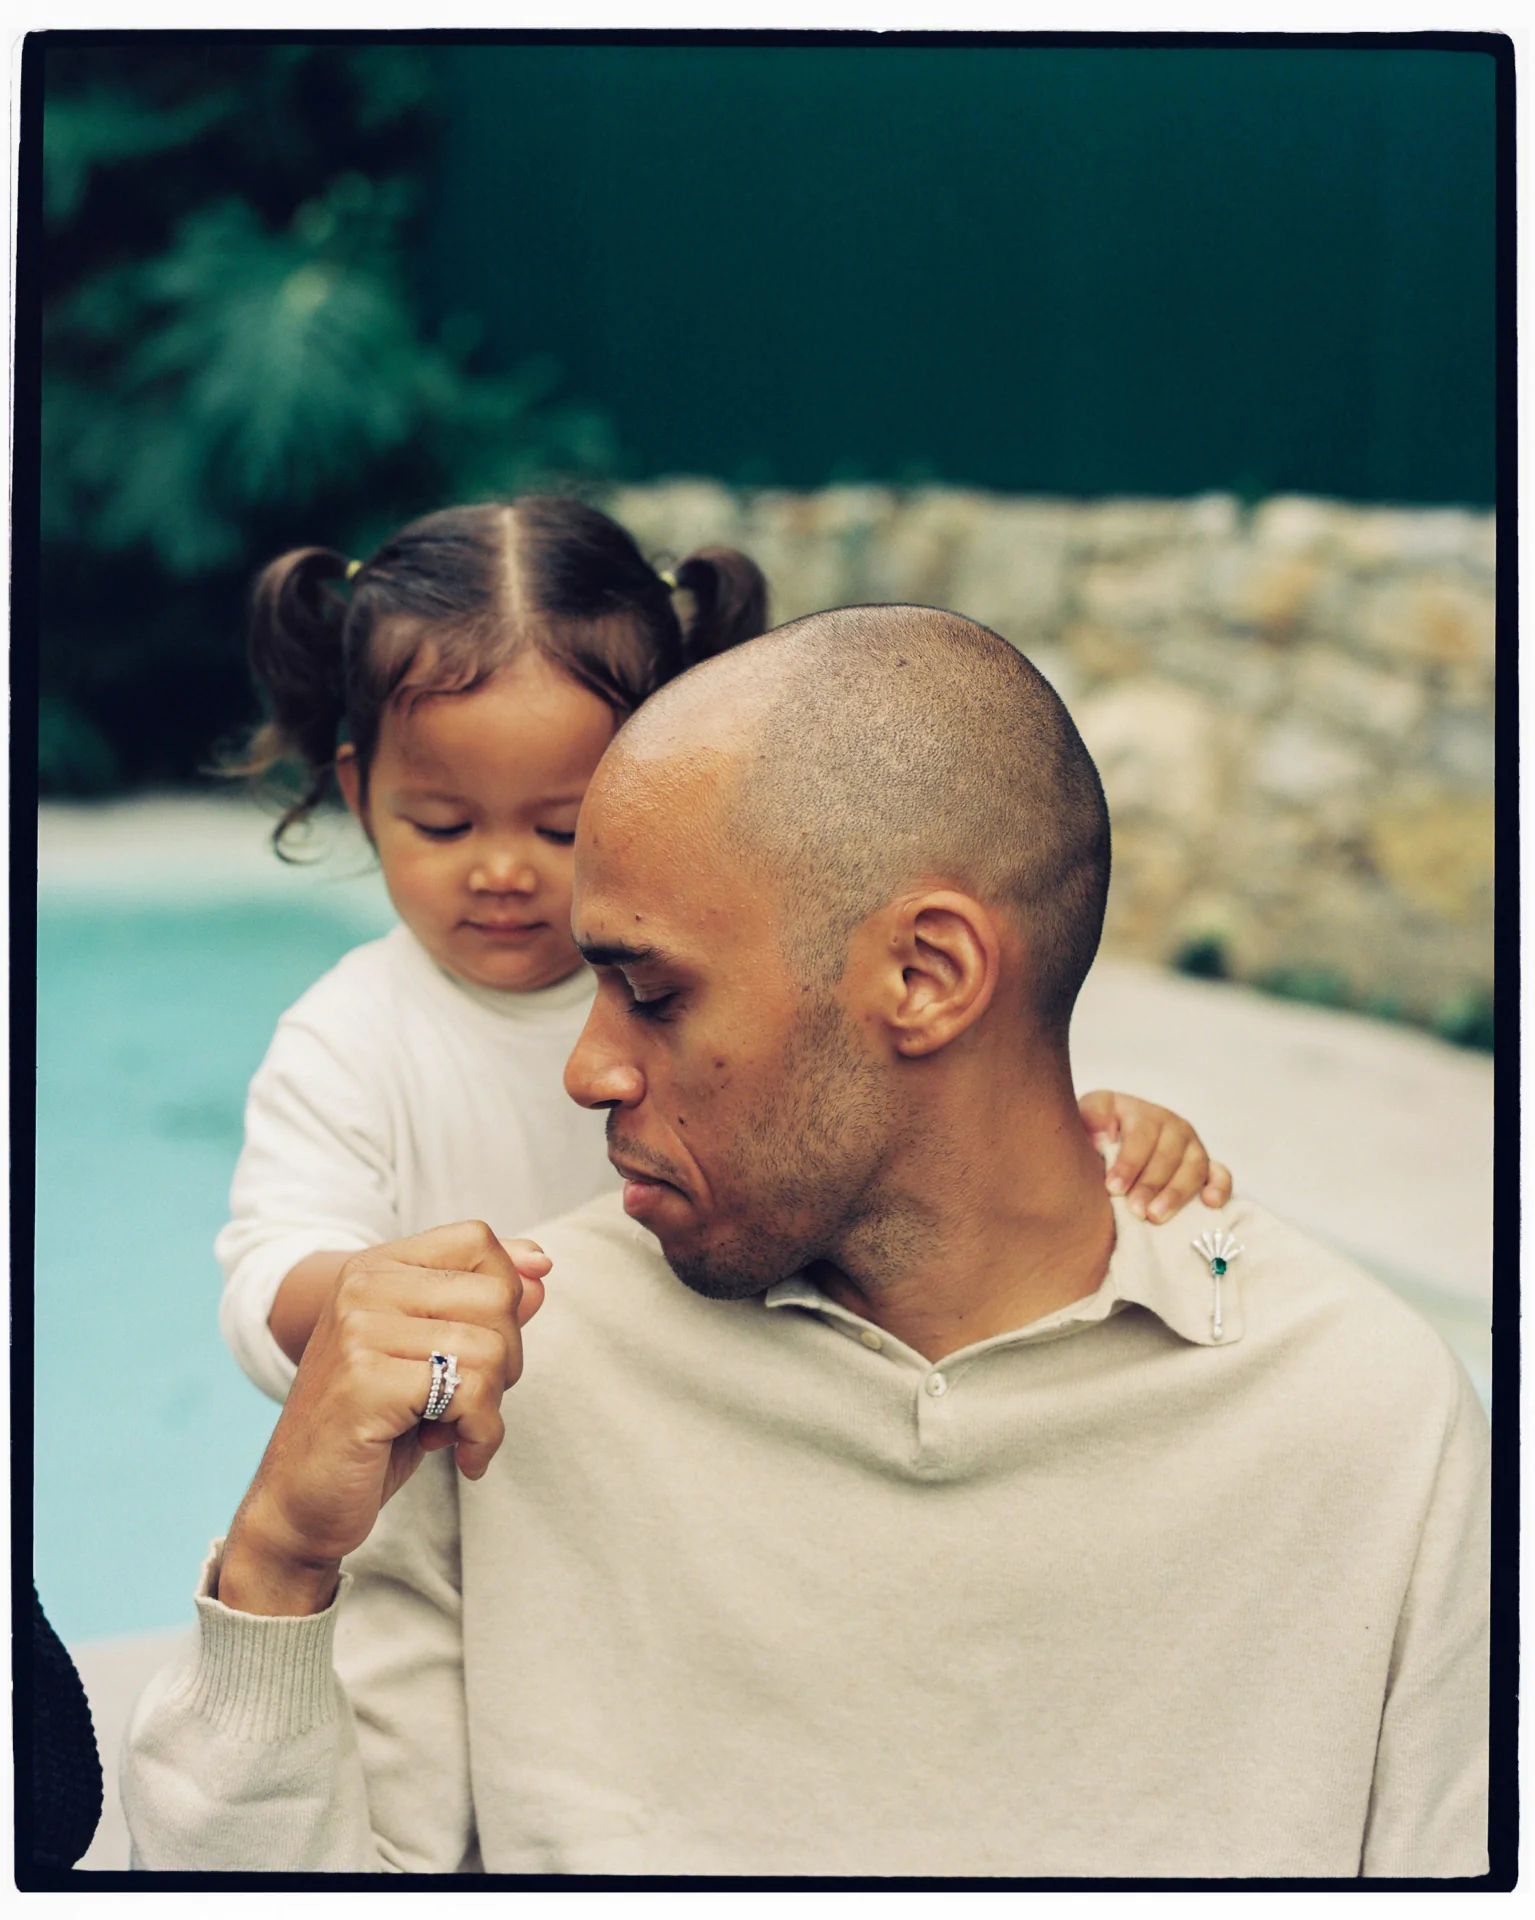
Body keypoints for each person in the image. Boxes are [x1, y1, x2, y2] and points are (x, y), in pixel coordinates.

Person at [123, 607, 1489, 1878]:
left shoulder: (1362, 1422)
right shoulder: (516, 1383)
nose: (585, 1069)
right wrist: (277, 1568)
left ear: (925, 976)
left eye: (647, 990)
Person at [217, 496, 1230, 1404]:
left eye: (563, 830)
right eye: (442, 825)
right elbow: (267, 1275)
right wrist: (374, 1301)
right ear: (358, 795)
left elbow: (910, 1128)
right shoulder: (349, 1038)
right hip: (480, 1470)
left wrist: (1088, 1138)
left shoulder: (750, 982)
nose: (501, 873)